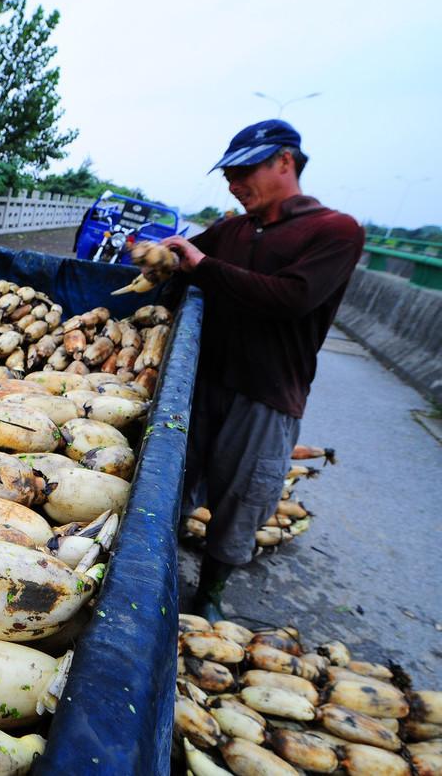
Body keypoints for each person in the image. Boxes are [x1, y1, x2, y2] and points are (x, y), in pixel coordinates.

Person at [159, 119, 364, 622]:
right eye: (228, 174)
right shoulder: (233, 228)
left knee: (240, 499)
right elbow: (182, 258)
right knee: (172, 483)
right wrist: (157, 255)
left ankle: (209, 592)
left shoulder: (333, 230)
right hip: (199, 380)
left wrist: (201, 264)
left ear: (285, 162)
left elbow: (292, 299)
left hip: (266, 393)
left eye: (244, 171)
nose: (233, 184)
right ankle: (155, 575)